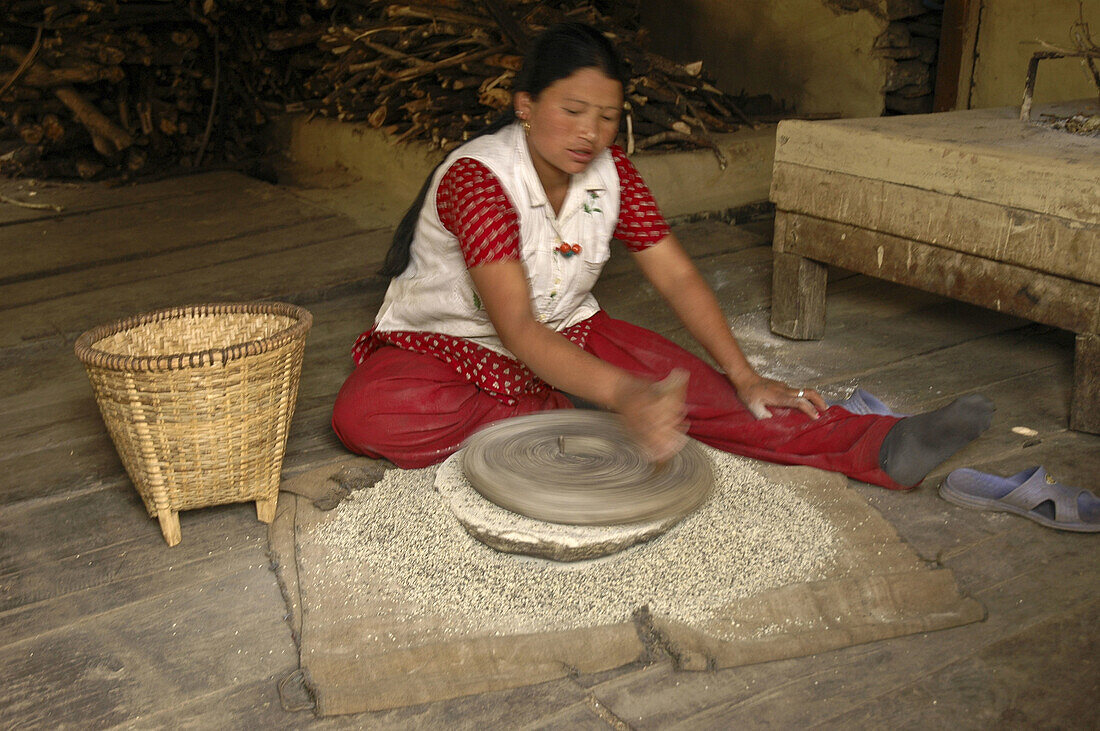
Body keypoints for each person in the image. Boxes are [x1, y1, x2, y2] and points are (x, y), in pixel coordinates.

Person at [332, 22, 993, 490]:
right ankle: (578, 413)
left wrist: (743, 373)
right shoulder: (480, 182)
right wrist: (624, 393)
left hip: (572, 335)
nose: (589, 133)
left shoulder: (612, 175)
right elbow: (517, 331)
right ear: (526, 107)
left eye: (606, 116)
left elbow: (674, 271)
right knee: (364, 413)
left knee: (704, 394)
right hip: (445, 347)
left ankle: (878, 445)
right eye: (572, 111)